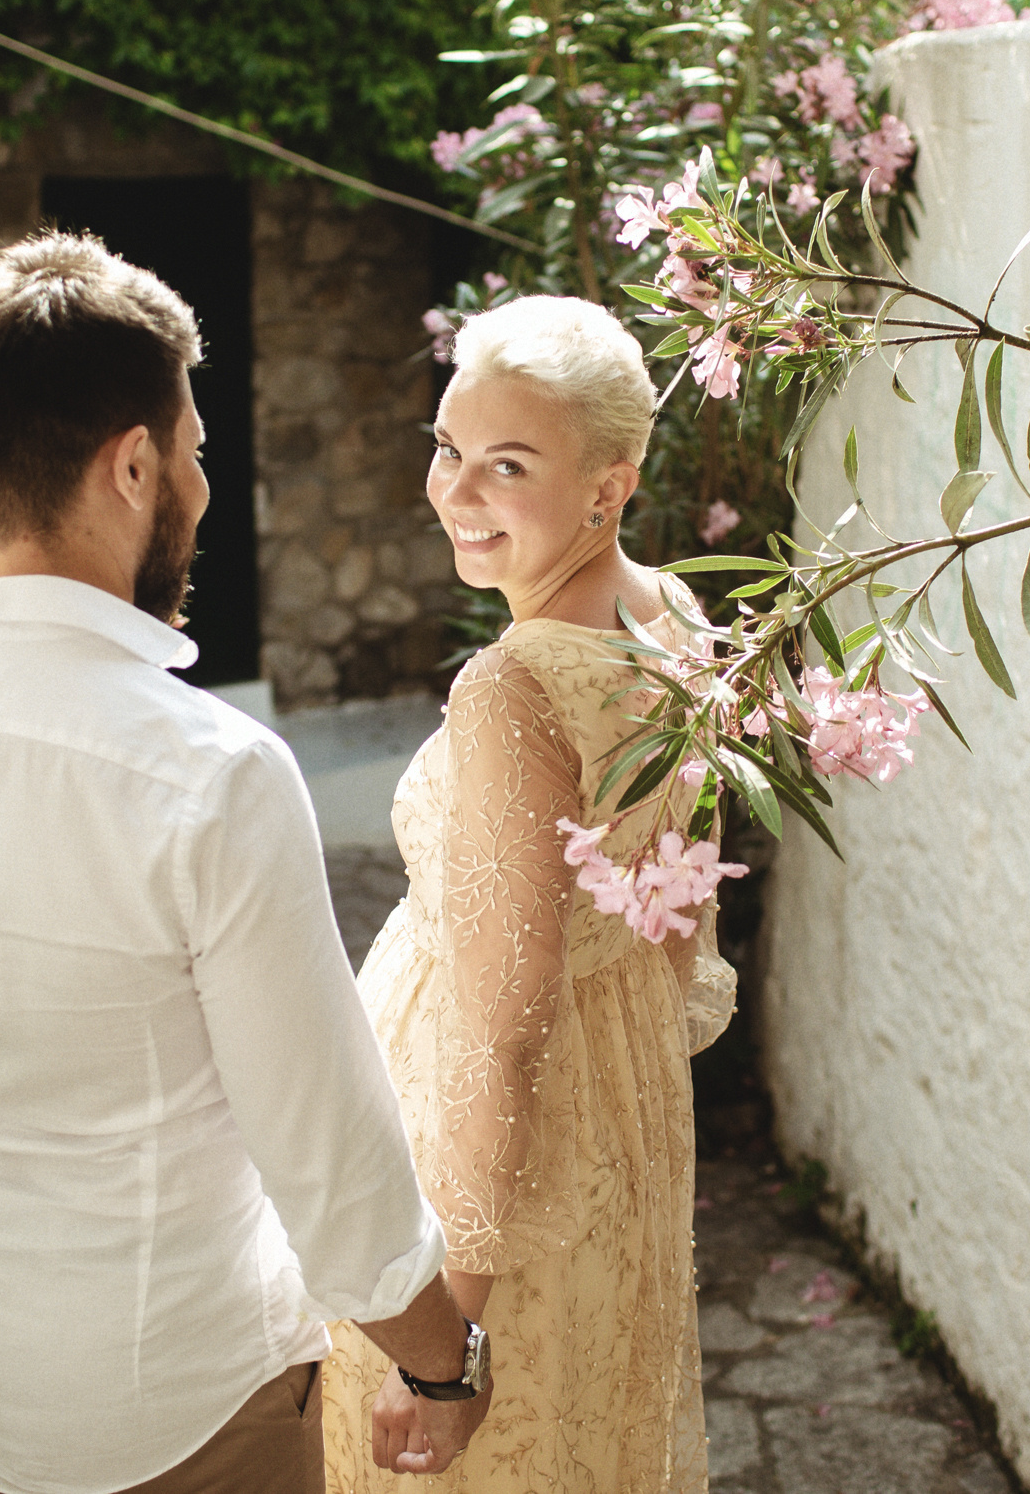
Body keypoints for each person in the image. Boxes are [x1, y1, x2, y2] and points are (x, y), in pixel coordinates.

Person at [0, 232, 493, 1494]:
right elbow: (321, 1148)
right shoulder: (211, 773)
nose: (201, 490)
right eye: (195, 455)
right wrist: (444, 1360)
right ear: (135, 463)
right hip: (191, 1408)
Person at [320, 297, 738, 1493]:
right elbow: (674, 918)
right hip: (617, 1112)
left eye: (508, 465)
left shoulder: (510, 686)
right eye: (449, 448)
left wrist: (445, 1343)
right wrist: (630, 1094)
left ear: (607, 487)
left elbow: (502, 1036)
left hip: (497, 1174)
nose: (457, 491)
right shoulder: (677, 616)